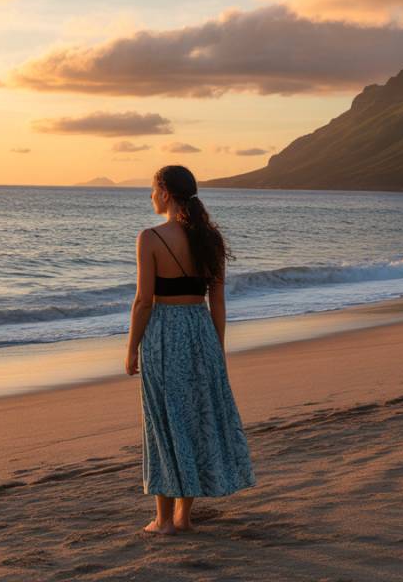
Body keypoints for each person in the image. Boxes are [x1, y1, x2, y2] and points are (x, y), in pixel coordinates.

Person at [124, 164, 256, 536]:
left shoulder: (150, 237)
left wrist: (132, 348)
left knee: (163, 422)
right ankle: (184, 516)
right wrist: (218, 349)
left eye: (152, 189)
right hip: (200, 330)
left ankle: (163, 520)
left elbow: (143, 302)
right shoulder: (209, 238)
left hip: (164, 333)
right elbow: (218, 301)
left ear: (165, 192)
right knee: (194, 420)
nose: (150, 196)